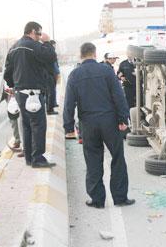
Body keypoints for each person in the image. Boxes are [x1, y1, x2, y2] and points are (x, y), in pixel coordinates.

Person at [63, 42, 135, 208]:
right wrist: (123, 119)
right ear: (95, 54)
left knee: (93, 160)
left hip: (88, 124)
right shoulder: (106, 71)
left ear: (81, 56)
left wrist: (68, 127)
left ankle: (97, 200)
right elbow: (119, 96)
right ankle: (120, 198)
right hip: (109, 121)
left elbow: (69, 104)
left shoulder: (74, 75)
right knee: (117, 158)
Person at [4, 21, 57, 168]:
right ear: (32, 31)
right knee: (38, 125)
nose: (40, 37)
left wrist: (13, 85)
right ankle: (38, 158)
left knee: (26, 125)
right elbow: (51, 57)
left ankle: (29, 157)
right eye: (39, 34)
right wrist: (46, 42)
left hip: (20, 93)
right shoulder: (34, 45)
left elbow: (7, 72)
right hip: (33, 93)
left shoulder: (13, 47)